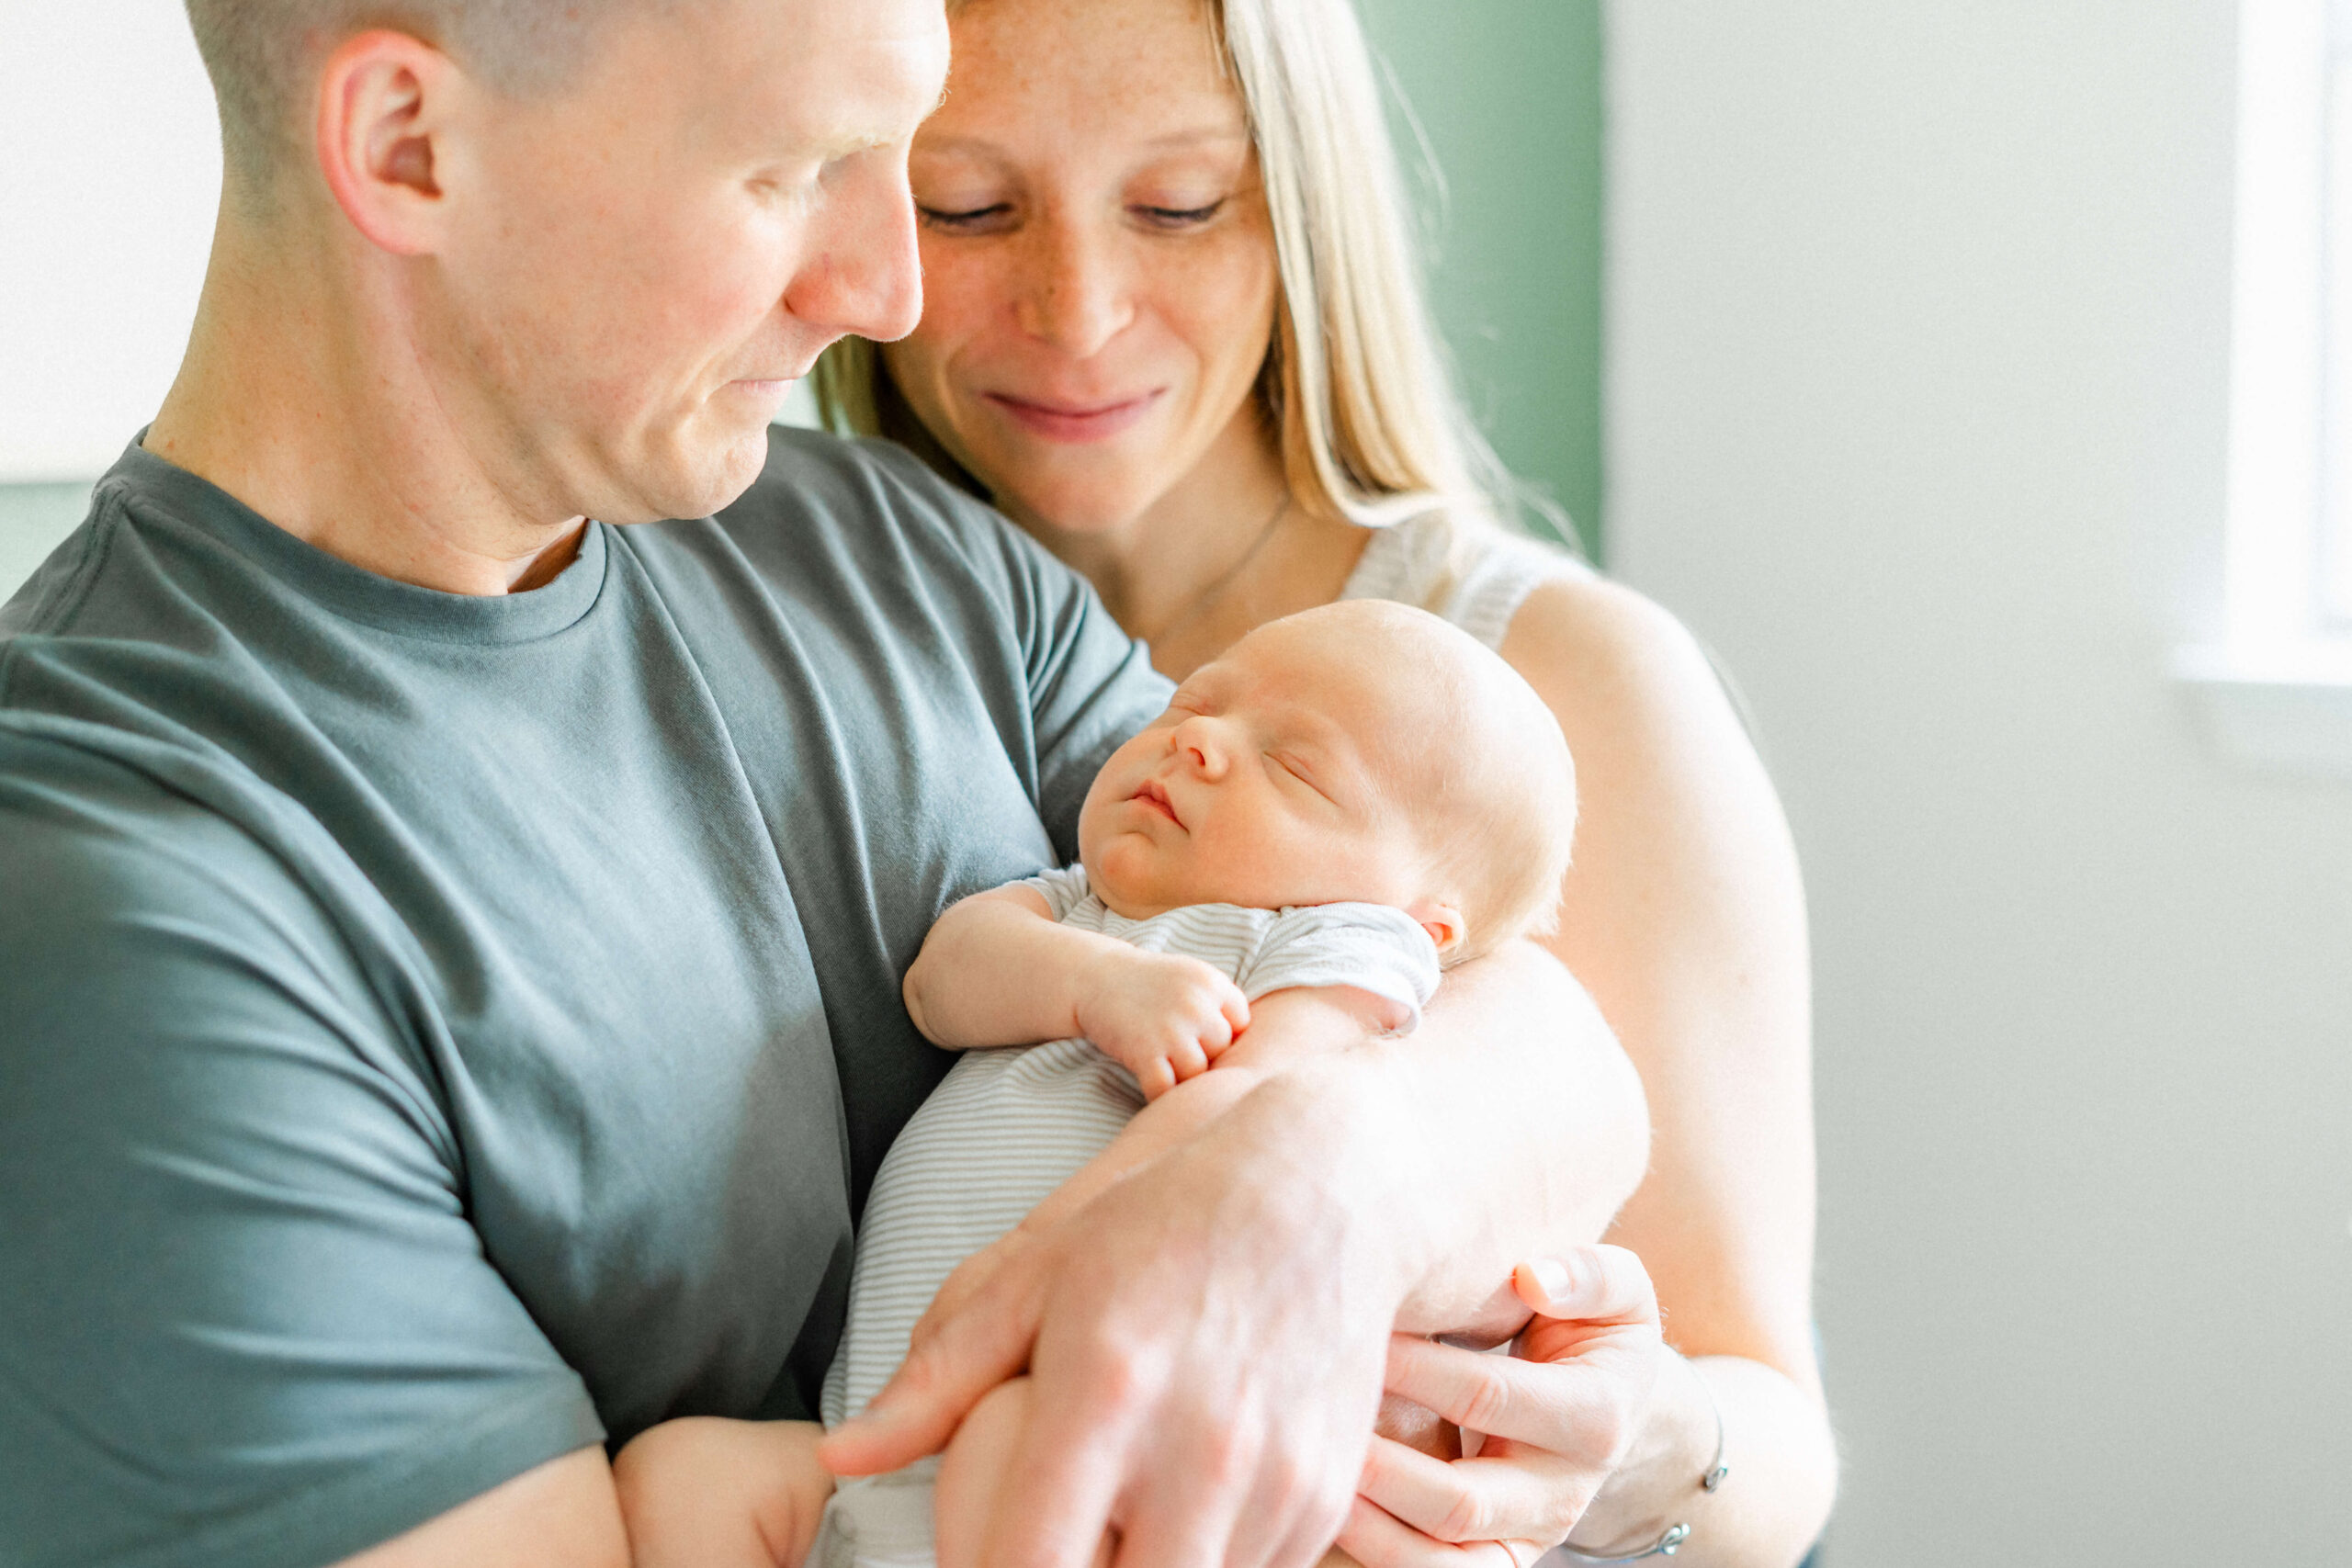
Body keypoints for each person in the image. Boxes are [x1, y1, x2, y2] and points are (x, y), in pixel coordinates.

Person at [0, 4, 1652, 1567]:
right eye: (794, 169)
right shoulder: (117, 908)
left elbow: (1536, 1017)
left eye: (905, 161)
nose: (888, 289)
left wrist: (1317, 1187)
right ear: (410, 145)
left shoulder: (897, 555)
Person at [808, 0, 1840, 1562]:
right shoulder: (824, 630)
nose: (1079, 310)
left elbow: (1775, 1437)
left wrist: (1627, 1443)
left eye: (1179, 204)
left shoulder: (1559, 686)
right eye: (966, 206)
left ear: (1303, 206)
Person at [797, 600, 1588, 1568]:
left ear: (1424, 924)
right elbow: (940, 981)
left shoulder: (1334, 942)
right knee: (684, 1473)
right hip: (861, 1451)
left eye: (1296, 767)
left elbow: (1266, 1107)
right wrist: (1095, 984)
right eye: (1188, 705)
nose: (1200, 742)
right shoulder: (1072, 901)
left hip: (1072, 1415)